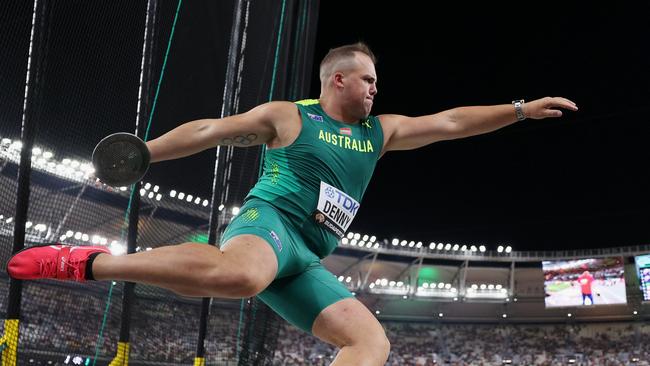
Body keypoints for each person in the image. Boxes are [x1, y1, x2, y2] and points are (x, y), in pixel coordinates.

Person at [8, 42, 578, 365]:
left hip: (308, 254)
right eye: (368, 79)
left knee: (371, 341)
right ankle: (88, 262)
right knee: (244, 274)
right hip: (271, 223)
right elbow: (211, 128)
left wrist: (520, 110)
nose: (376, 89)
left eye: (377, 82)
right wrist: (144, 155)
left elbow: (452, 121)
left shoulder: (381, 131)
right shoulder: (289, 115)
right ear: (337, 81)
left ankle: (195, 267)